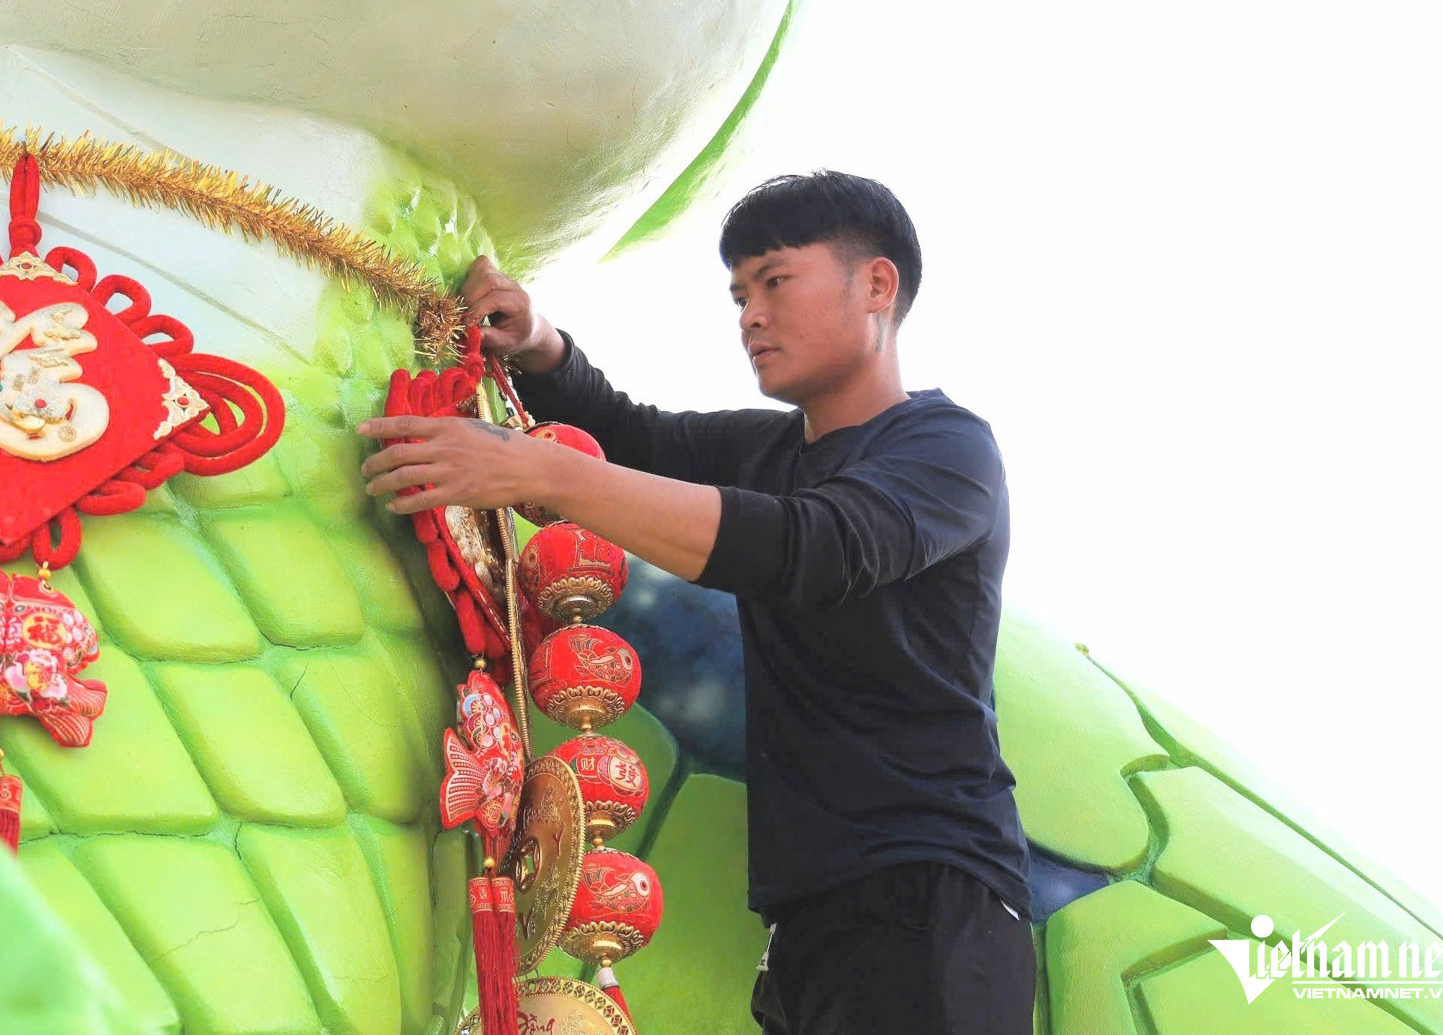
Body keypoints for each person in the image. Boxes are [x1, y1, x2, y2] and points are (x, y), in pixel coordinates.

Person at [356, 170, 1036, 1034]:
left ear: (876, 285)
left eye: (775, 282)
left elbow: (810, 548)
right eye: (738, 293)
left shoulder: (946, 450)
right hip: (808, 916)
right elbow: (630, 436)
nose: (750, 315)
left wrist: (541, 472)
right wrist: (538, 343)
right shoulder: (768, 451)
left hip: (935, 898)